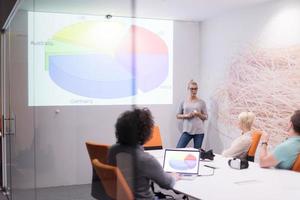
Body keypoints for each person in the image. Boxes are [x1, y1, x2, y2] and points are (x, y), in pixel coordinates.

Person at [108, 108, 179, 200]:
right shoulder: (145, 159)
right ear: (145, 132)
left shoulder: (112, 150)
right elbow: (167, 184)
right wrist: (174, 176)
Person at [176, 80, 208, 149]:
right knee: (178, 149)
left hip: (199, 131)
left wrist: (199, 114)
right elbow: (178, 115)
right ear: (188, 89)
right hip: (187, 131)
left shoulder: (201, 102)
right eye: (192, 89)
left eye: (195, 89)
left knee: (196, 153)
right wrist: (187, 116)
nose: (194, 91)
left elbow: (206, 117)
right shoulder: (183, 102)